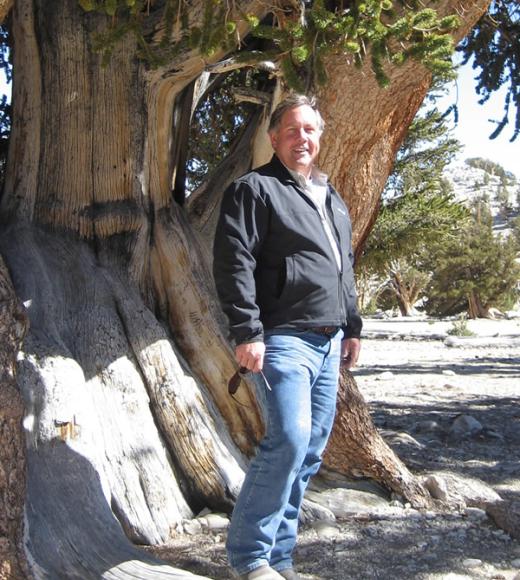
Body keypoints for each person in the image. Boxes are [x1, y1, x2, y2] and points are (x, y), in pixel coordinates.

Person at [213, 94, 362, 580]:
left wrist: (352, 326)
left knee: (312, 448)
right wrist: (247, 331)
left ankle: (279, 557)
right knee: (290, 440)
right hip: (282, 338)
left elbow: (343, 268)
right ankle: (249, 558)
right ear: (274, 137)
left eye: (310, 130)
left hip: (329, 341)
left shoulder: (331, 196)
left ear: (320, 137)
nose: (303, 138)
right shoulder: (254, 190)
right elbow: (234, 262)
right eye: (293, 130)